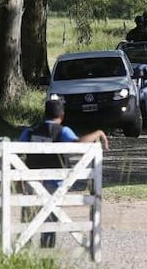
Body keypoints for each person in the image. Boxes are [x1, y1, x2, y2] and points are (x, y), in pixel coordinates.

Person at [18, 100, 109, 247]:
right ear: (62, 115)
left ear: (45, 113)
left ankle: (22, 250)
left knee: (28, 218)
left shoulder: (30, 130)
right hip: (55, 183)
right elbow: (78, 143)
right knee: (50, 221)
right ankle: (46, 253)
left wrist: (18, 177)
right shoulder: (62, 131)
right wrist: (98, 132)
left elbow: (16, 151)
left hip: (32, 181)